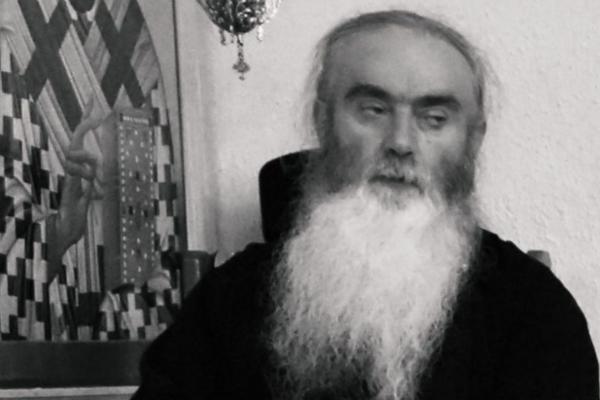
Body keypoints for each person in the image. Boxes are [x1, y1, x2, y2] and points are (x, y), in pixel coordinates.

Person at [133, 10, 598, 400]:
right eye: (373, 111)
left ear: (473, 141)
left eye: (434, 118)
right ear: (322, 120)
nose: (401, 142)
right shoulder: (230, 297)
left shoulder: (534, 310)